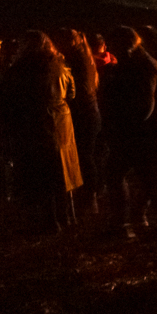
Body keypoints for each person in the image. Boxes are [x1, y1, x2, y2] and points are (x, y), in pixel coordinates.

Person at [100, 26, 157, 242]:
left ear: (124, 46)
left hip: (152, 132)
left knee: (146, 177)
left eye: (112, 44)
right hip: (145, 131)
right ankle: (132, 224)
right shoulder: (133, 64)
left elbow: (144, 107)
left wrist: (122, 129)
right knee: (131, 175)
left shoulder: (144, 67)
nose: (108, 48)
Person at [3, 31, 83, 234]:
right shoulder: (59, 65)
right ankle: (65, 218)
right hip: (61, 123)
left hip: (34, 123)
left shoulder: (20, 69)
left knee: (41, 173)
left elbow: (11, 98)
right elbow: (72, 92)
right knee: (61, 171)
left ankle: (49, 220)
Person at [52, 29, 102, 222]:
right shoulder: (84, 55)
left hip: (85, 113)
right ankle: (91, 196)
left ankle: (90, 198)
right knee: (86, 156)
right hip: (90, 111)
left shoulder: (76, 60)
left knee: (85, 156)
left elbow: (76, 90)